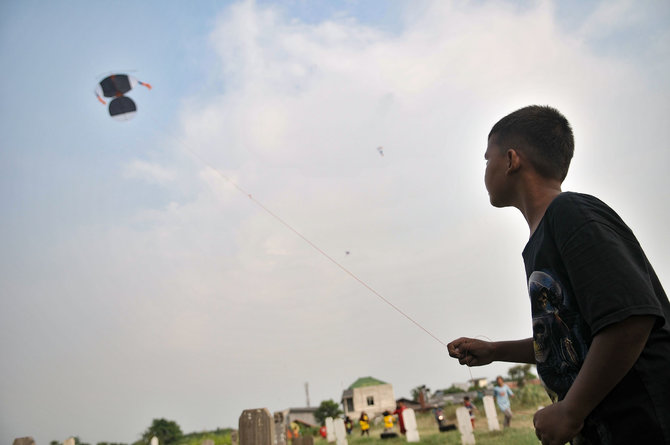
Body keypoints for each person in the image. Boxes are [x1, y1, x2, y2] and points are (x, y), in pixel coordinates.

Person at [446, 105, 670, 445]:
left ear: (511, 160)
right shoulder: (540, 241)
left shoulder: (570, 213)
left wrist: (571, 410)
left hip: (644, 425)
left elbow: (631, 318)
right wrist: (495, 351)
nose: (485, 169)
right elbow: (572, 337)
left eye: (487, 159)